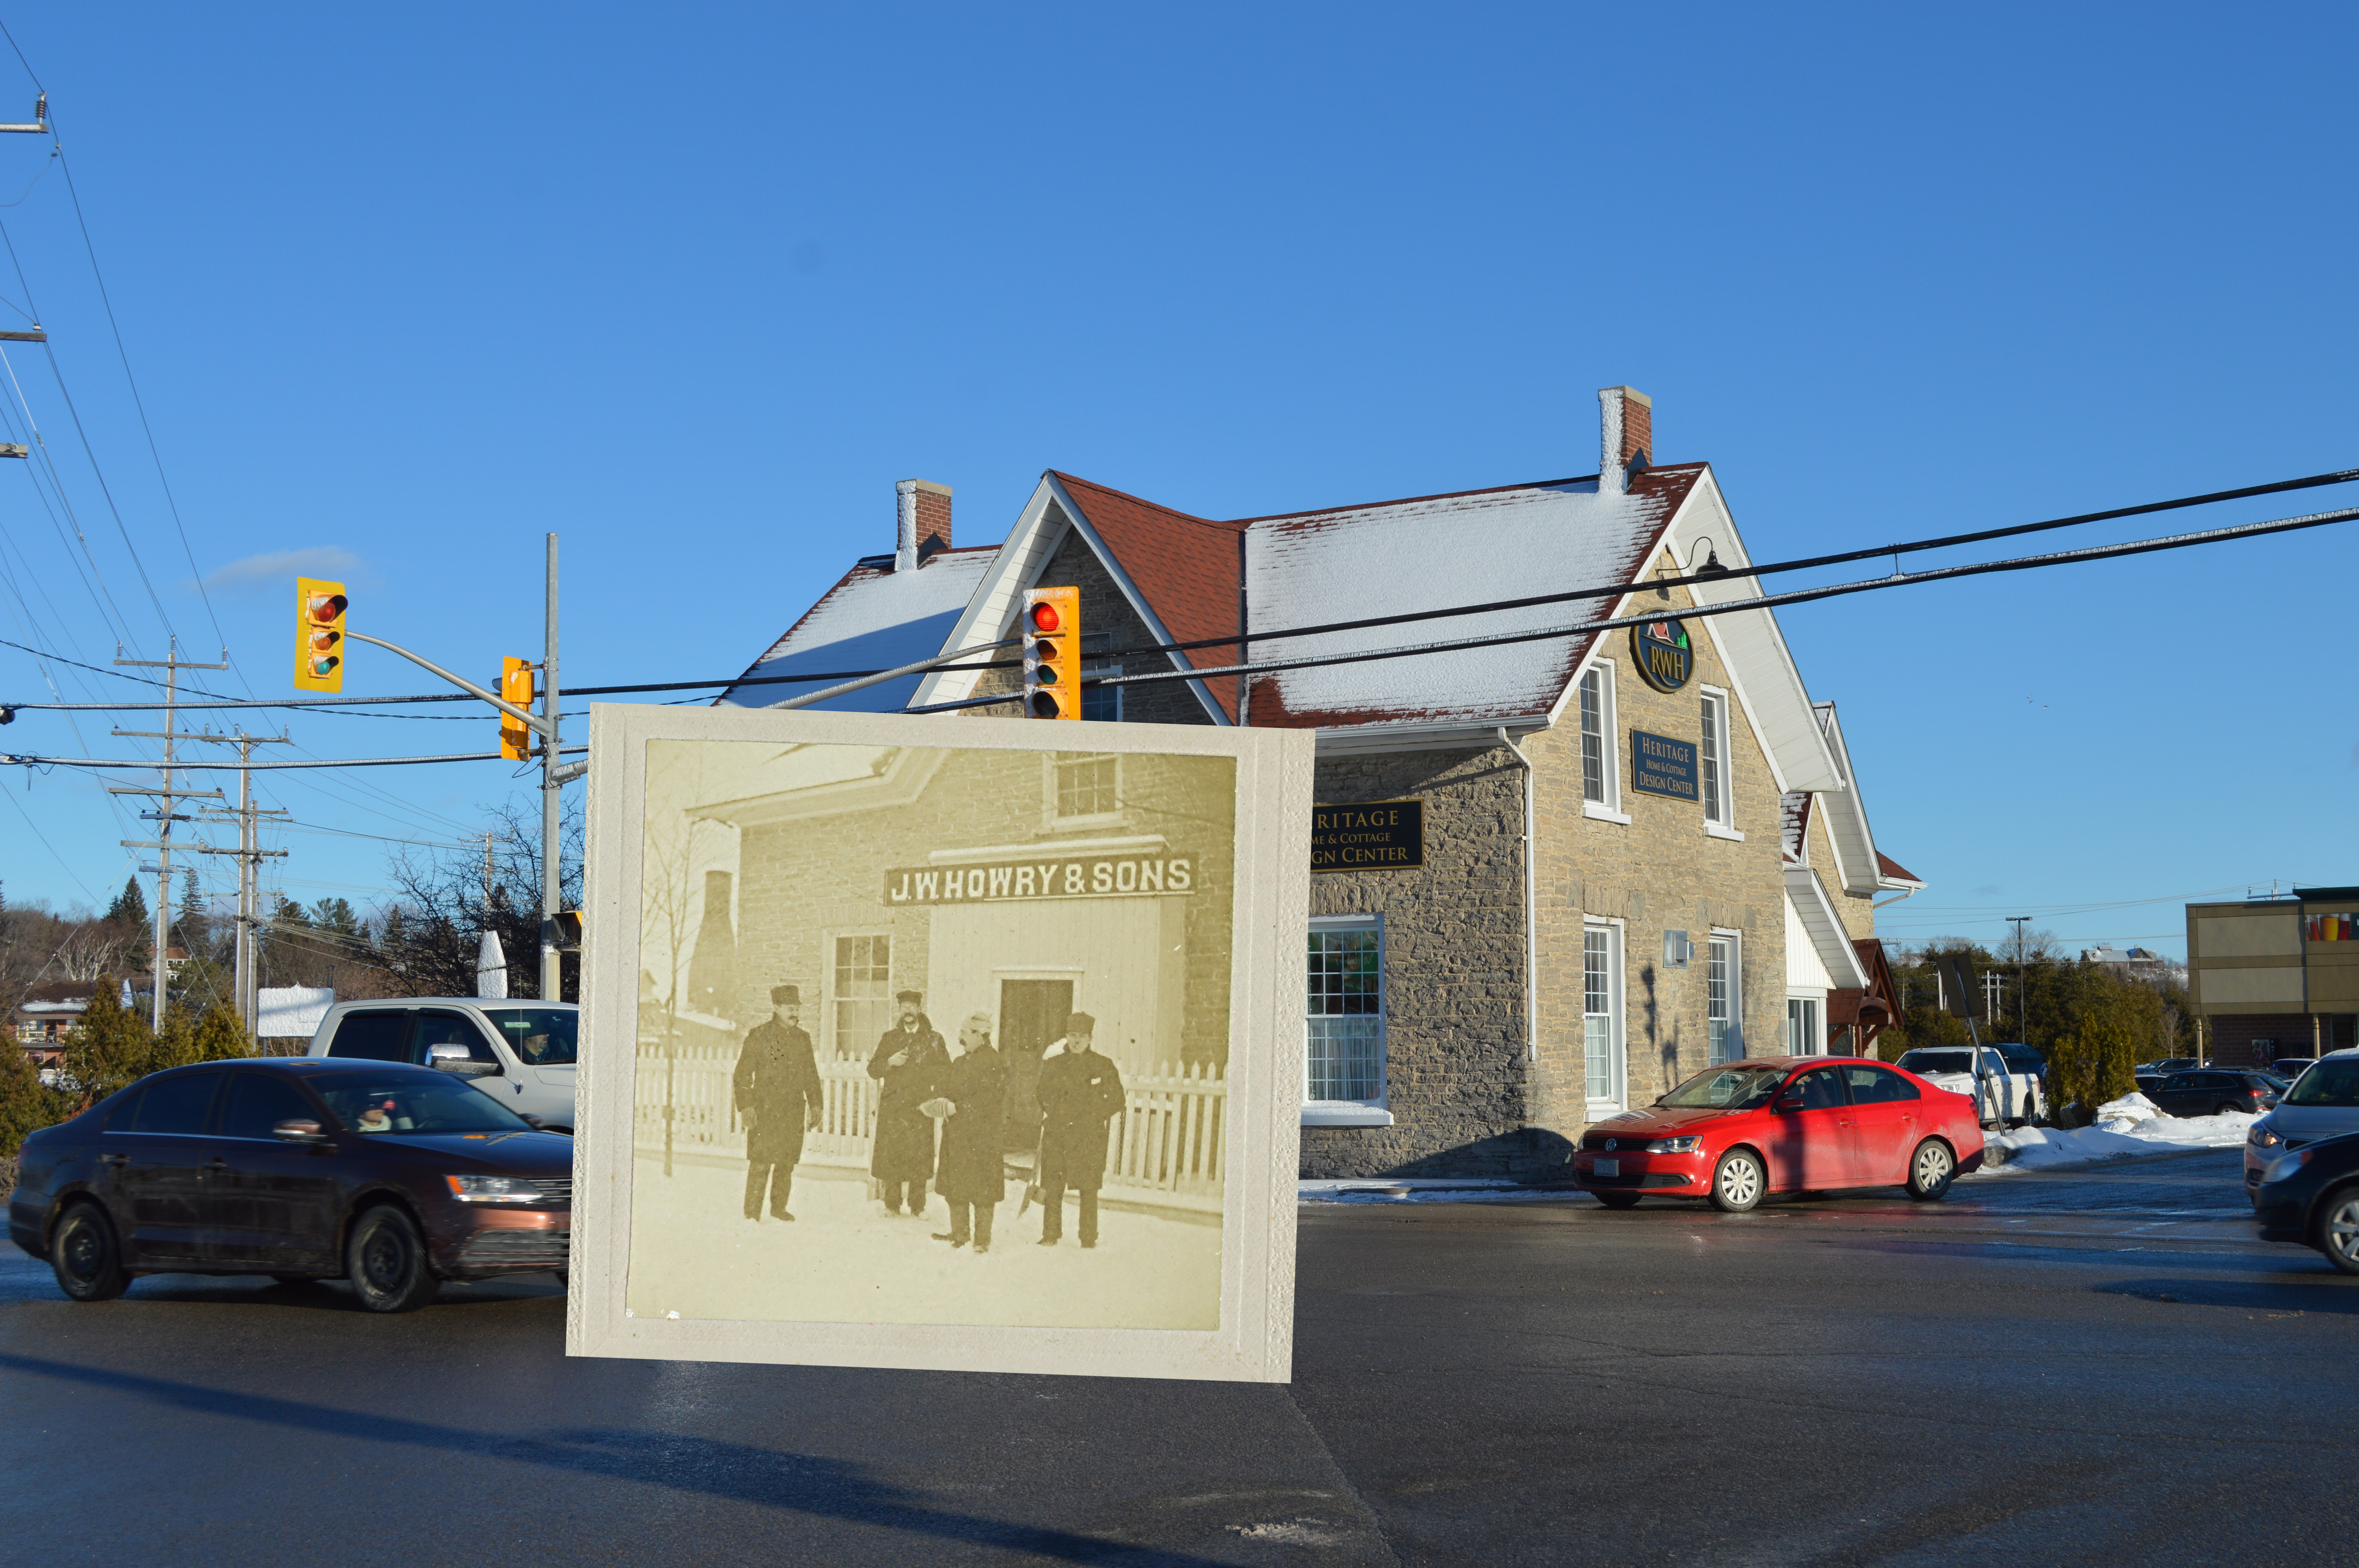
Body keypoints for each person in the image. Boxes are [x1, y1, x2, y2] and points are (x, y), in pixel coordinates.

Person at [733, 984, 823, 1222]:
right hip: (765, 1109)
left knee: (786, 1163)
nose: (795, 1013)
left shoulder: (803, 1039)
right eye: (789, 1008)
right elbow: (742, 1074)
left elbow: (811, 1075)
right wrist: (747, 1106)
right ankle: (751, 1213)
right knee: (761, 1162)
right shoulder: (759, 1035)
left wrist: (816, 1104)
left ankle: (778, 1208)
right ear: (776, 1008)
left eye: (797, 1008)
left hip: (793, 1109)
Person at [1035, 1011, 1125, 1248]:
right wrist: (1057, 1113)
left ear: (1090, 1039)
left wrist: (1092, 1116)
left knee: (1089, 1187)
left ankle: (1088, 1238)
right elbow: (1042, 1094)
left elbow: (1117, 1099)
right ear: (1066, 1036)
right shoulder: (1054, 1065)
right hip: (1058, 1133)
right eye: (1073, 1036)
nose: (1077, 1041)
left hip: (1088, 1136)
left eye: (1082, 1037)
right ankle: (1050, 1235)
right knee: (1053, 1186)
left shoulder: (1102, 1065)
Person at [926, 1013, 1007, 1252]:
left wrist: (958, 1107)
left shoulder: (995, 1062)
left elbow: (990, 1100)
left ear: (980, 1035)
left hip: (983, 1136)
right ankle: (959, 1233)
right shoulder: (960, 1063)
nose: (959, 1038)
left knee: (983, 1188)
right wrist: (941, 1100)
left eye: (964, 1033)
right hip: (957, 1133)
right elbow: (946, 1087)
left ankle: (982, 1240)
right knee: (956, 1184)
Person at [867, 987, 948, 1217]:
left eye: (913, 1007)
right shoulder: (890, 1039)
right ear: (900, 1011)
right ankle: (892, 1204)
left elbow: (946, 1071)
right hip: (894, 1106)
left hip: (920, 1106)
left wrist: (933, 1090)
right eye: (904, 1008)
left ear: (920, 1010)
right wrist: (890, 1062)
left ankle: (918, 1205)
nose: (909, 1012)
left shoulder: (934, 1040)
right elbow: (873, 1069)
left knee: (919, 1154)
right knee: (893, 1154)